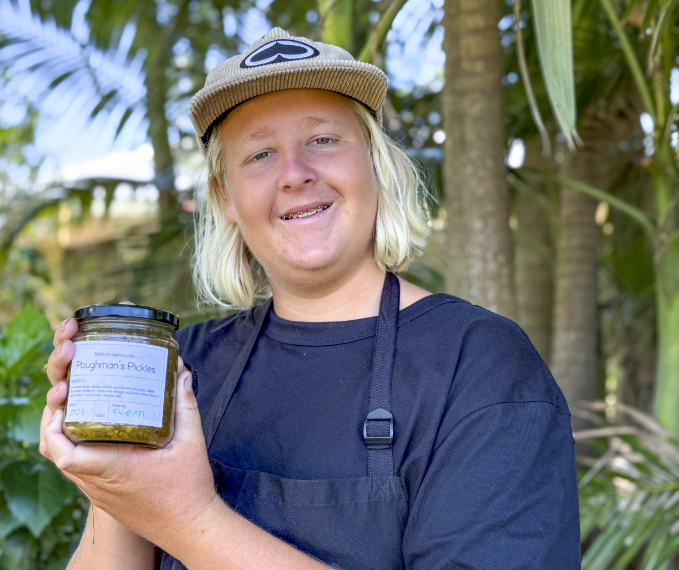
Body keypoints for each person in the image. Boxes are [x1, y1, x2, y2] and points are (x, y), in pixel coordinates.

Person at [39, 28, 581, 570]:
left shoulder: (479, 364)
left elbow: (178, 517)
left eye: (322, 139)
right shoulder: (184, 364)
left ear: (375, 163)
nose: (295, 174)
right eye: (260, 154)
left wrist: (188, 518)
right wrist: (114, 467)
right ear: (227, 197)